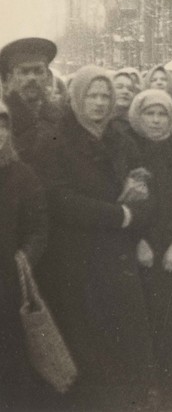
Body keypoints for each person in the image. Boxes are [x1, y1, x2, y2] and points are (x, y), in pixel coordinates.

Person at [37, 65, 157, 409]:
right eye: (93, 95)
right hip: (79, 259)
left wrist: (137, 208)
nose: (100, 104)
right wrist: (119, 215)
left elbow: (147, 189)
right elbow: (59, 199)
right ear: (76, 98)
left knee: (123, 340)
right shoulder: (57, 142)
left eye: (106, 96)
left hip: (119, 256)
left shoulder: (120, 140)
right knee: (88, 343)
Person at [127, 89, 172, 405]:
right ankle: (146, 388)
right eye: (149, 114)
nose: (156, 121)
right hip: (137, 245)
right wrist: (136, 239)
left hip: (171, 246)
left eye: (162, 114)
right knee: (139, 319)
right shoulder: (127, 149)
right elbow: (124, 198)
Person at [0, 101, 48, 409]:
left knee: (12, 357)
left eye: (2, 126)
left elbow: (39, 229)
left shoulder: (22, 175)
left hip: (8, 283)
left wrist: (23, 260)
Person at [0, 37, 61, 170]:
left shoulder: (61, 115)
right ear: (10, 78)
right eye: (24, 72)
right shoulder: (3, 119)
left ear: (47, 77)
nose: (32, 78)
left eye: (38, 71)